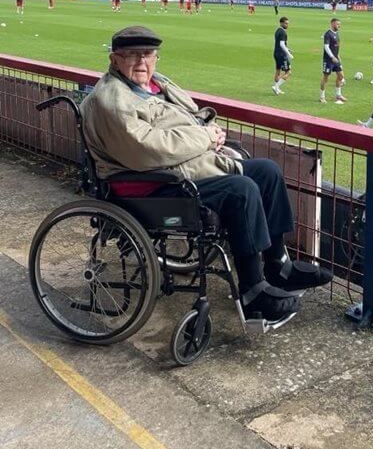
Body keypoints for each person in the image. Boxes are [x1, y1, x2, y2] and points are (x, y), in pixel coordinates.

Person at [80, 26, 332, 323]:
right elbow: (146, 150)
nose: (142, 62)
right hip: (150, 186)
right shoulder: (112, 100)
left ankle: (278, 265)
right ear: (114, 59)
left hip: (185, 166)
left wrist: (208, 131)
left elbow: (187, 117)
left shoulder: (154, 84)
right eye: (132, 56)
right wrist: (206, 139)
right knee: (242, 189)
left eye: (148, 55)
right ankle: (253, 292)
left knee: (267, 171)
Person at [320, 18, 346, 104]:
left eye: (339, 24)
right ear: (332, 24)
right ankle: (322, 96)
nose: (339, 25)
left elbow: (336, 48)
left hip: (336, 59)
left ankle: (338, 95)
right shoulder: (328, 34)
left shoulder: (337, 33)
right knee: (325, 78)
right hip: (328, 60)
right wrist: (332, 57)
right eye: (337, 24)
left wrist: (338, 57)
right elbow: (326, 47)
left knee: (341, 76)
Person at [272, 16, 293, 95]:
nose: (287, 25)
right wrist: (289, 54)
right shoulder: (283, 32)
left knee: (278, 71)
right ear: (281, 23)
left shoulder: (278, 30)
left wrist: (288, 49)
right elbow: (282, 44)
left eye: (287, 23)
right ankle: (276, 86)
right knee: (288, 72)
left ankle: (277, 88)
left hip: (276, 53)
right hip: (281, 54)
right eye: (285, 23)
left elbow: (280, 43)